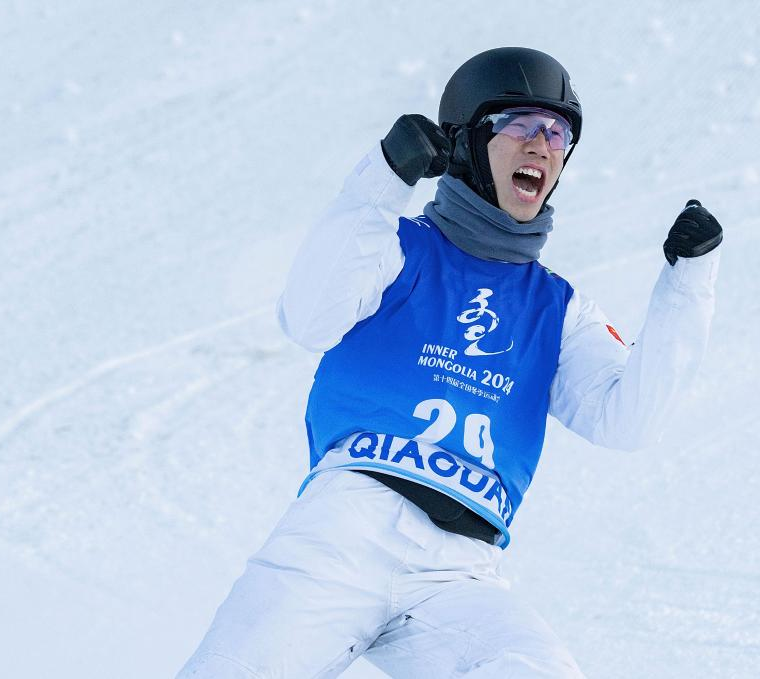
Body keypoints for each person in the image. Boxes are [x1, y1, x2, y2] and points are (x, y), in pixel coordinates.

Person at [178, 47, 722, 678]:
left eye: (557, 133)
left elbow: (628, 422)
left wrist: (688, 284)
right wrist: (384, 177)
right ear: (466, 143)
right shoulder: (395, 248)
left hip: (458, 572)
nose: (542, 145)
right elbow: (308, 317)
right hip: (343, 532)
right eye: (520, 125)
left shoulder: (559, 309)